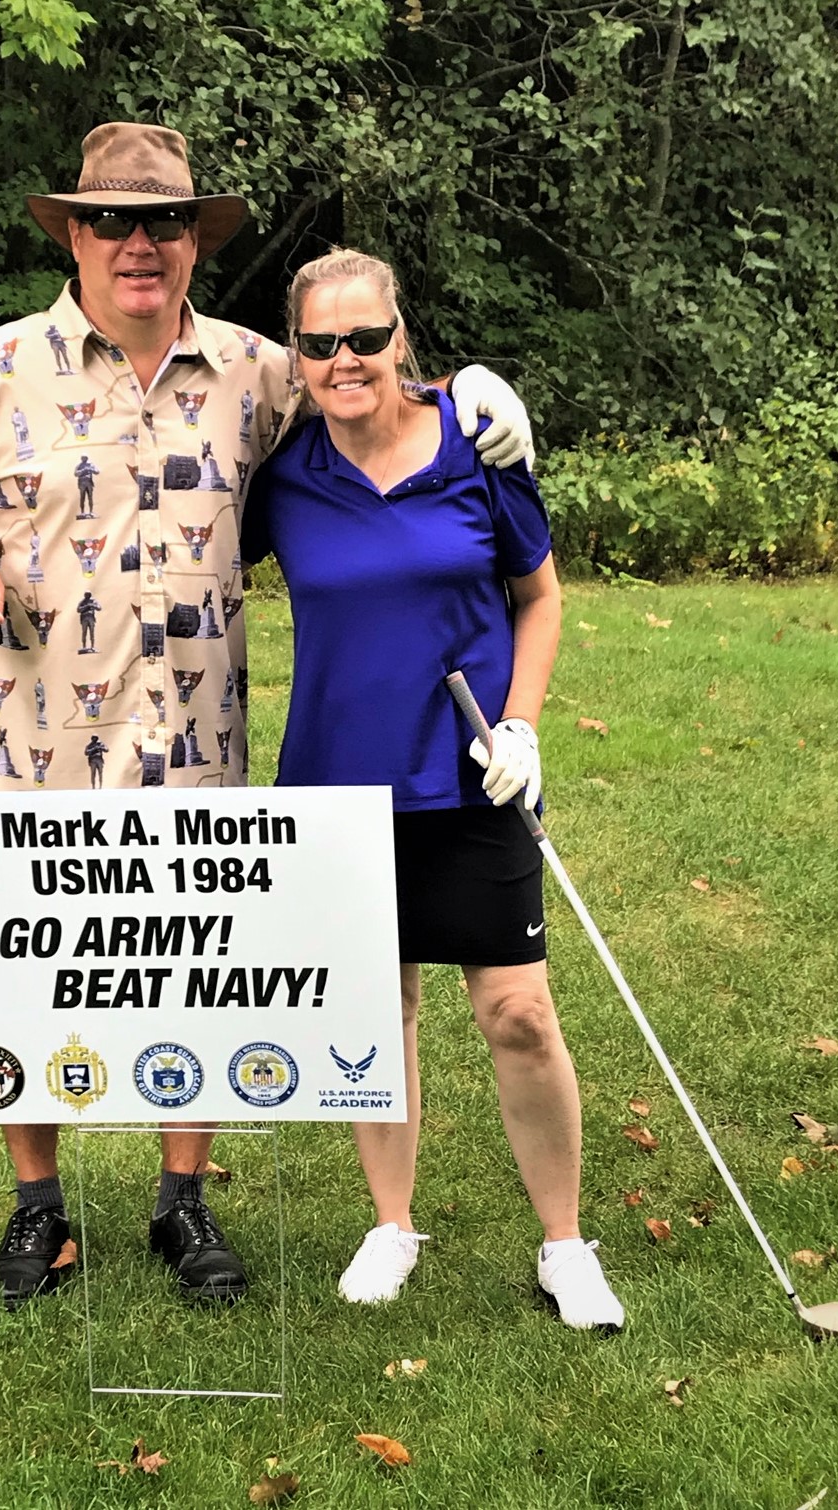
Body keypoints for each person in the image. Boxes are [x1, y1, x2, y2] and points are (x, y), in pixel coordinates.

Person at [0, 126, 535, 1314]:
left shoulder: (256, 371)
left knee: (197, 970)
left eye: (164, 222)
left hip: (189, 734)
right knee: (26, 972)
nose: (138, 243)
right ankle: (38, 1205)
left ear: (193, 240)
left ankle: (181, 1198)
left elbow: (363, 386)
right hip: (25, 729)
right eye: (111, 221)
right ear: (74, 234)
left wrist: (471, 390)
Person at [241, 248, 624, 1331]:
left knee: (518, 1012)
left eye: (366, 337)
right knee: (378, 1013)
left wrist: (523, 724)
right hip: (334, 786)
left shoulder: (479, 443)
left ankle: (564, 1243)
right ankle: (392, 1222)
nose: (345, 359)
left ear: (399, 336)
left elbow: (538, 597)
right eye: (321, 342)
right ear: (297, 354)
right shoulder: (284, 478)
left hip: (470, 773)